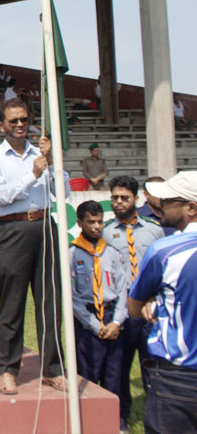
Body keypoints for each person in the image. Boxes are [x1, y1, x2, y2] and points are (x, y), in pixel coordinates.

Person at [0, 97, 70, 395]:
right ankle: (7, 368)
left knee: (50, 301)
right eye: (13, 121)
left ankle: (52, 369)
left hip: (45, 225)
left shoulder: (42, 153)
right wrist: (33, 174)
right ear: (2, 125)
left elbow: (64, 193)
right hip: (13, 229)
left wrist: (53, 163)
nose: (20, 125)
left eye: (24, 120)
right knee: (13, 301)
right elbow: (1, 197)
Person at [128, 172, 197, 434]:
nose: (159, 202)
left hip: (177, 379)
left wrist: (155, 304)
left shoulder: (164, 250)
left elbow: (134, 307)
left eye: (168, 200)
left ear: (191, 208)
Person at [102, 176, 165, 431]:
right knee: (118, 369)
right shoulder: (105, 232)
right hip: (122, 311)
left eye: (124, 197)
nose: (119, 202)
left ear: (136, 200)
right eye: (115, 197)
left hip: (149, 311)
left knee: (153, 368)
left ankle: (158, 417)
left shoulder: (154, 230)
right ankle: (120, 418)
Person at [70, 200, 129, 430]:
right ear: (80, 223)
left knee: (114, 373)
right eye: (90, 222)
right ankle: (89, 421)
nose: (96, 227)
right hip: (88, 319)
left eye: (99, 221)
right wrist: (94, 325)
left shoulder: (112, 253)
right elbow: (72, 296)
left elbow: (123, 288)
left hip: (112, 316)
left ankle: (114, 421)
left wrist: (116, 322)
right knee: (88, 373)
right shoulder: (72, 254)